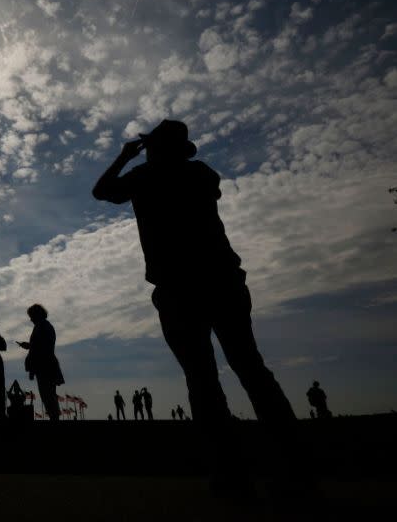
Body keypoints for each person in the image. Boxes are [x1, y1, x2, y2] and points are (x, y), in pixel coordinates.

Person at [92, 120, 295, 460]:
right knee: (250, 367)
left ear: (155, 148)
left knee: (202, 380)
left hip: (178, 289)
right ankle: (293, 461)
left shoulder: (143, 178)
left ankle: (229, 471)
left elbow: (101, 191)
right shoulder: (201, 173)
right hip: (221, 280)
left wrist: (125, 157)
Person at [18, 304, 64, 421]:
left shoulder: (41, 326)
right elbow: (39, 346)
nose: (30, 319)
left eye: (31, 316)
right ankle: (54, 418)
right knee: (49, 396)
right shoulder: (45, 326)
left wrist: (30, 347)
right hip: (46, 364)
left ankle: (54, 418)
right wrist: (30, 346)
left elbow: (40, 347)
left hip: (45, 366)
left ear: (36, 315)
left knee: (48, 396)